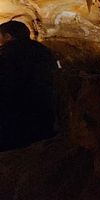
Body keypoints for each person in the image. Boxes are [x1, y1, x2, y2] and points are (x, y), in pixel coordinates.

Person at [0, 20, 58, 151]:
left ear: (8, 36)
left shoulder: (6, 53)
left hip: (15, 110)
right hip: (44, 106)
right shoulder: (44, 51)